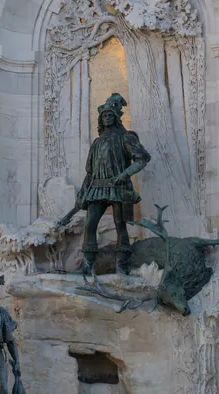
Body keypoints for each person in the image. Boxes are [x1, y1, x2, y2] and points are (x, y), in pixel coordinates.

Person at [57, 93, 151, 276]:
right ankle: (88, 266)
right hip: (98, 187)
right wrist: (83, 193)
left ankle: (121, 265)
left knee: (120, 224)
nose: (107, 117)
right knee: (90, 224)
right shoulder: (97, 142)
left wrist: (124, 175)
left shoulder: (126, 137)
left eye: (110, 115)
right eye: (104, 115)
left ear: (116, 117)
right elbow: (90, 172)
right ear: (100, 119)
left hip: (119, 187)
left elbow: (142, 159)